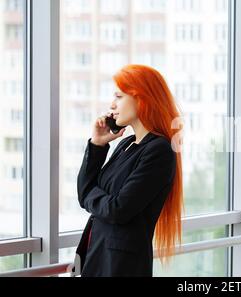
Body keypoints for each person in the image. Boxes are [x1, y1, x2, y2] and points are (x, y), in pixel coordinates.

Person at [75, 64, 183, 277]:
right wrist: (98, 144)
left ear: (141, 99)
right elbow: (84, 193)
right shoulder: (126, 144)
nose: (112, 105)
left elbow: (119, 209)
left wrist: (91, 196)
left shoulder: (159, 150)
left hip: (121, 266)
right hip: (97, 256)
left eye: (119, 96)